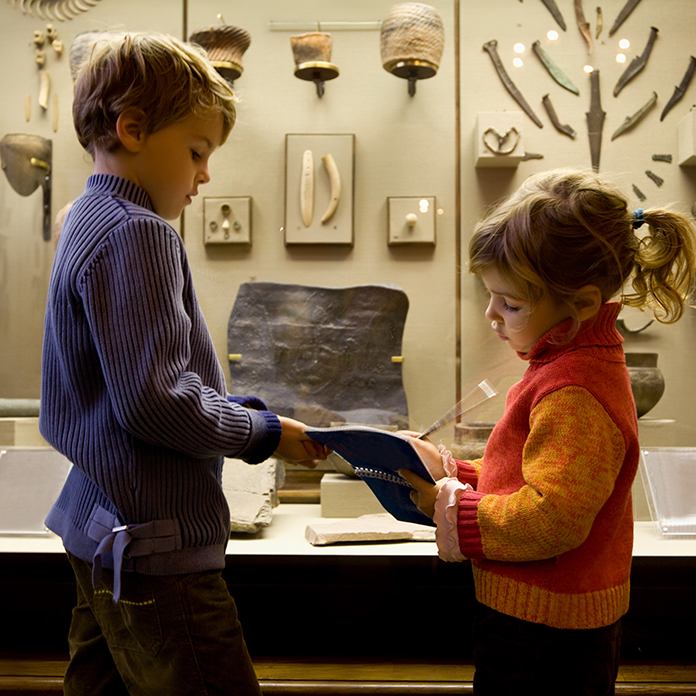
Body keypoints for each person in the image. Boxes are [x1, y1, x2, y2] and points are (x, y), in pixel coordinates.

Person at [40, 33, 328, 696]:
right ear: (132, 130)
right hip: (153, 546)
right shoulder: (138, 232)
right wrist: (264, 431)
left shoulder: (82, 215)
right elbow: (156, 401)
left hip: (97, 527)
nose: (205, 174)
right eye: (196, 152)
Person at [400, 169, 696, 696]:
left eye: (510, 304)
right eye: (490, 296)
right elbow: (532, 480)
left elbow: (553, 517)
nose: (492, 314)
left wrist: (444, 506)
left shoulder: (573, 389)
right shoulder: (568, 365)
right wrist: (454, 472)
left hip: (547, 636)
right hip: (545, 623)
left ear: (581, 304)